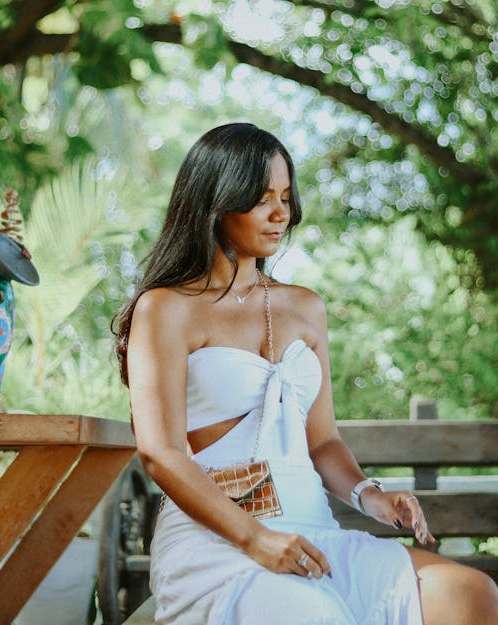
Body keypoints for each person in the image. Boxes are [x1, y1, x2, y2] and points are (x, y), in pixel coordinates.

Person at [114, 123, 497, 625]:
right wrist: (256, 538)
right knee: (314, 614)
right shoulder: (167, 308)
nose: (281, 214)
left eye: (286, 197)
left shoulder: (304, 307)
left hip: (312, 529)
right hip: (219, 542)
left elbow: (323, 442)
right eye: (262, 198)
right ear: (217, 202)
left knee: (471, 592)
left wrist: (370, 495)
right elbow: (160, 454)